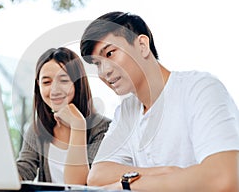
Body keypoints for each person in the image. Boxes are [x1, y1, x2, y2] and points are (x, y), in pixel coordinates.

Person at [80, 11, 239, 191]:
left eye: (109, 54)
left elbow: (225, 177)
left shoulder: (199, 88)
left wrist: (130, 184)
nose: (104, 71)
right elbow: (97, 176)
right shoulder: (126, 110)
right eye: (97, 64)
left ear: (142, 45)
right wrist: (166, 172)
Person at [16, 47, 111, 185]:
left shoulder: (102, 128)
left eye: (64, 80)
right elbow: (24, 170)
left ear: (78, 83)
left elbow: (79, 185)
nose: (54, 90)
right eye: (46, 82)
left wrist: (78, 125)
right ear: (39, 86)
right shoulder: (37, 129)